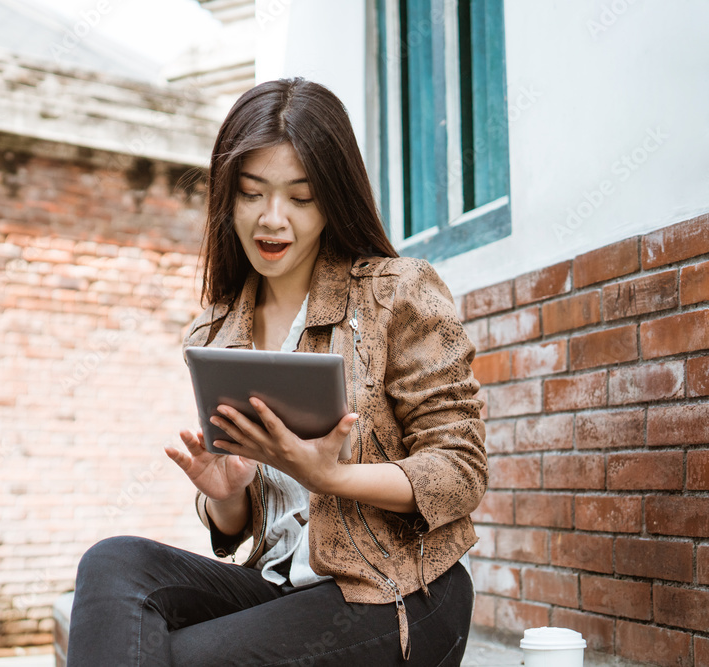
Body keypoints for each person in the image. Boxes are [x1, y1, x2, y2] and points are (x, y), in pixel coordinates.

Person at [67, 78, 487, 666]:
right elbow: (243, 525)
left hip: (400, 592)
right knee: (111, 565)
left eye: (301, 196)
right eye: (252, 192)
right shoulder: (217, 331)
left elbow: (460, 473)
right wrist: (227, 498)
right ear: (227, 198)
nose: (273, 218)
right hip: (283, 590)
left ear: (333, 198)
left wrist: (333, 477)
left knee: (179, 657)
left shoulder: (397, 293)